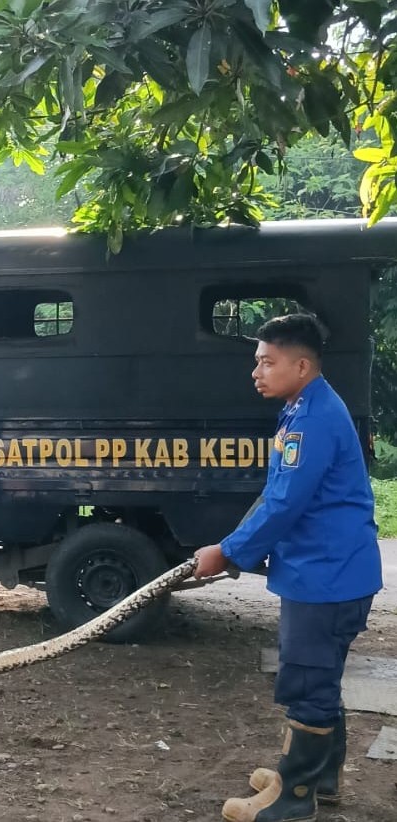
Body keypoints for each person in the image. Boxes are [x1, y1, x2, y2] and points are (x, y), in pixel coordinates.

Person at [193, 314, 382, 822]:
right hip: (328, 572)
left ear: (301, 365)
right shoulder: (304, 408)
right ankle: (320, 776)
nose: (257, 371)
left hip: (326, 577)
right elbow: (277, 496)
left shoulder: (313, 419)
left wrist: (228, 553)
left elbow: (285, 506)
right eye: (257, 361)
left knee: (307, 681)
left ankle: (293, 798)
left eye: (267, 362)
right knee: (320, 677)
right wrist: (234, 546)